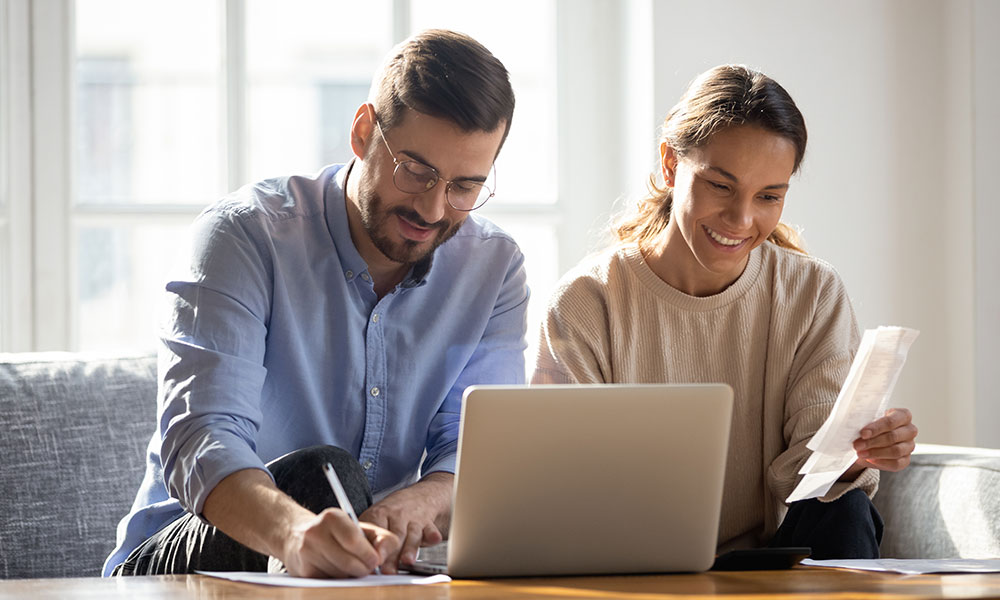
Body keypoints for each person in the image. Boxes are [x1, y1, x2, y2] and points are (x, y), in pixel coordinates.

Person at [104, 29, 528, 578]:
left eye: (465, 186)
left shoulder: (493, 268)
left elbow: (475, 450)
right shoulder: (244, 236)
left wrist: (419, 502)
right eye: (416, 172)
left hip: (363, 569)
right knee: (323, 474)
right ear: (362, 132)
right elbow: (202, 440)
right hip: (180, 560)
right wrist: (297, 534)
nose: (432, 207)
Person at [532, 64, 917, 559]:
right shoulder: (588, 303)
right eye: (720, 186)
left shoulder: (812, 292)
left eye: (769, 197)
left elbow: (813, 471)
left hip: (774, 561)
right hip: (630, 559)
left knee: (846, 510)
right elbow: (564, 485)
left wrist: (854, 455)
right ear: (671, 164)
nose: (742, 220)